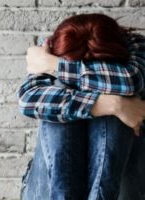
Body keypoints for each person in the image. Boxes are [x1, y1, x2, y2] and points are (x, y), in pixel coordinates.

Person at [17, 13, 145, 200]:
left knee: (118, 91)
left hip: (123, 189)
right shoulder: (50, 47)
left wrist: (55, 66)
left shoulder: (135, 45)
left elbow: (129, 81)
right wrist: (114, 105)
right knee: (58, 96)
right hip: (49, 190)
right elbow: (28, 99)